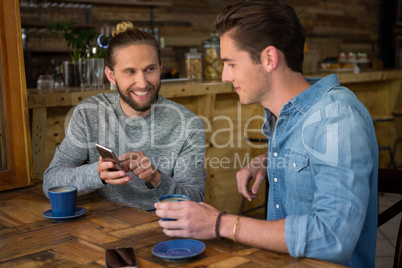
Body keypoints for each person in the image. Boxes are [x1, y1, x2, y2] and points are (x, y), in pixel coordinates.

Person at [154, 1, 378, 267]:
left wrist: (220, 223)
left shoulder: (337, 118)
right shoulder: (289, 114)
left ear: (269, 59)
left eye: (231, 63)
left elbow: (332, 238)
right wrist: (272, 159)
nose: (225, 76)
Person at [43, 21, 206, 211]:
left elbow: (195, 200)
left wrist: (157, 178)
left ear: (160, 67)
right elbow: (50, 183)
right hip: (98, 228)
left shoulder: (188, 124)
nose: (142, 83)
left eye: (150, 69)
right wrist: (97, 174)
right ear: (111, 76)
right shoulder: (90, 113)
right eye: (130, 72)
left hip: (158, 226)